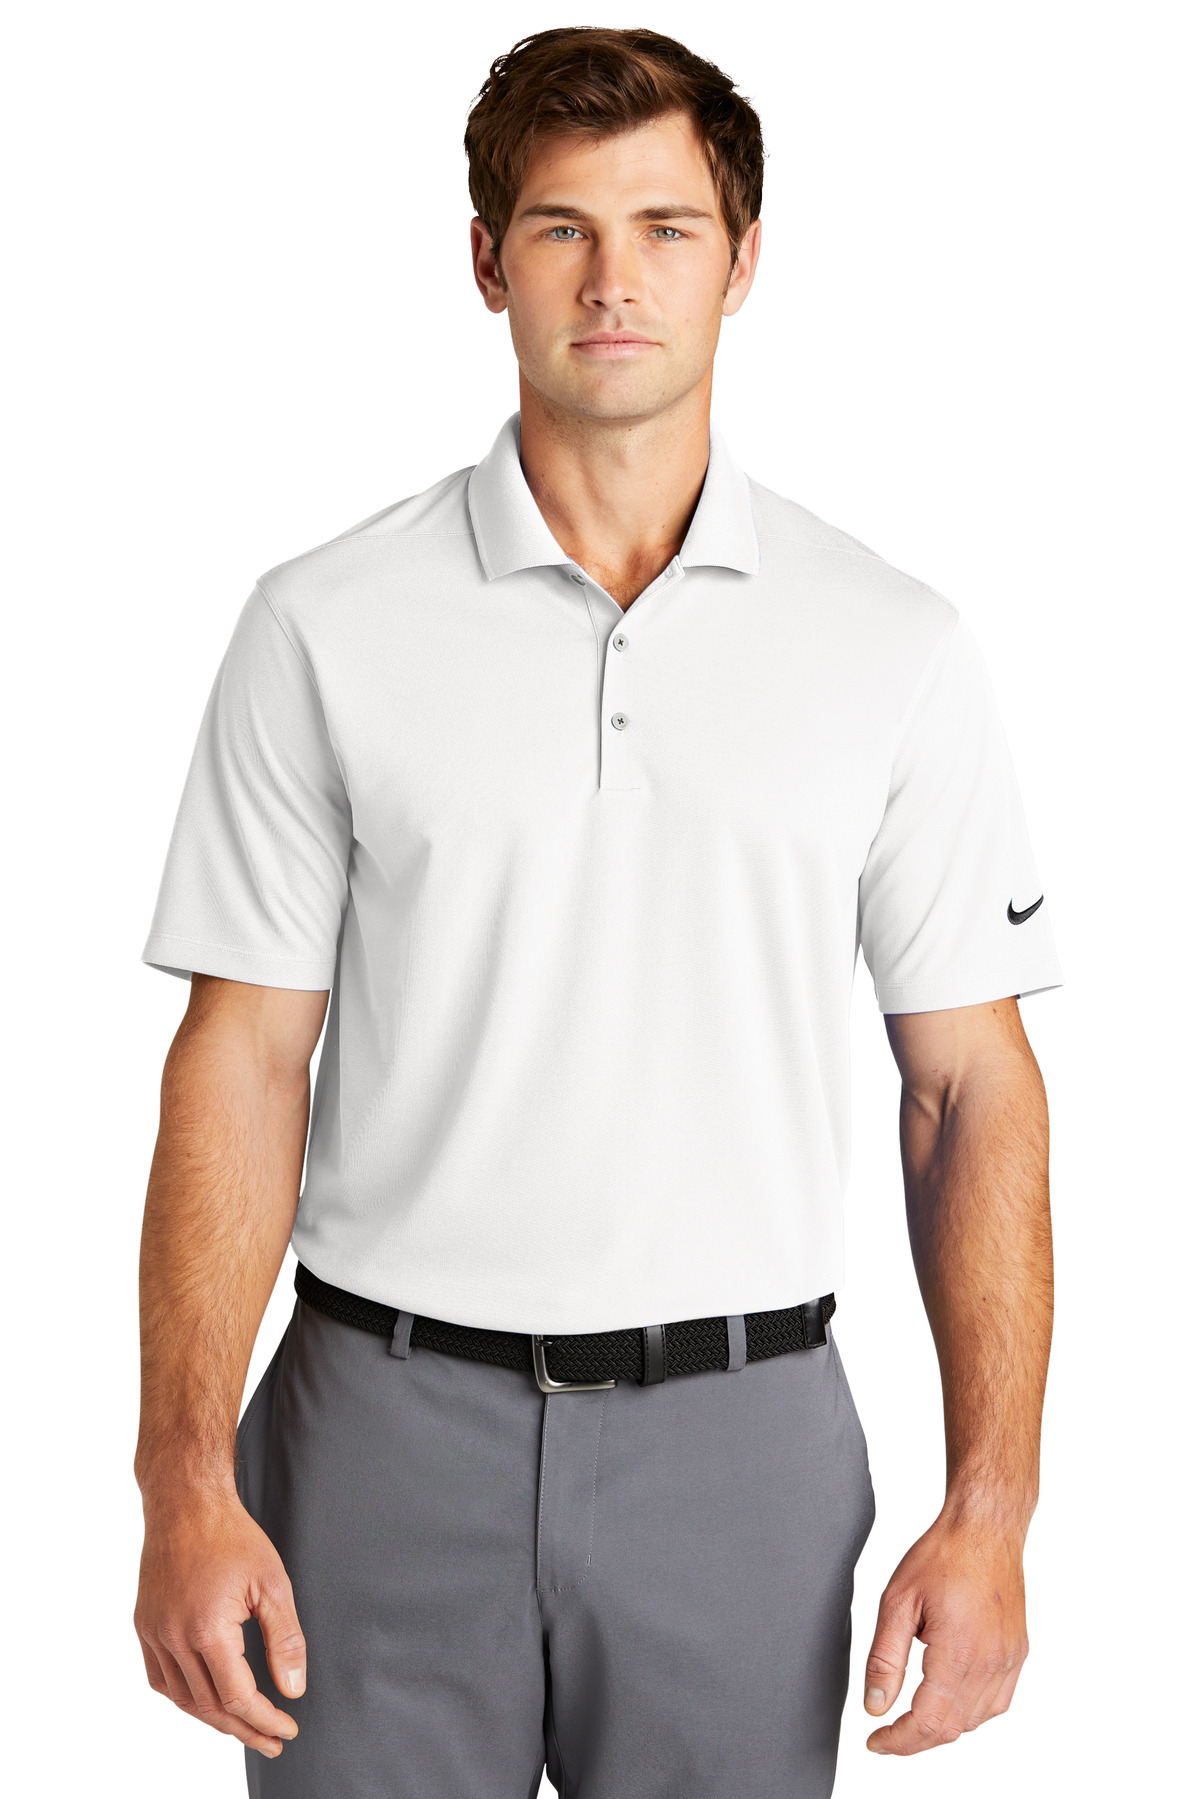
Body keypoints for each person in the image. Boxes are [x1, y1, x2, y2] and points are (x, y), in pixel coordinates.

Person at [132, 26, 1062, 1799]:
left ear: (743, 259)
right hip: (377, 1443)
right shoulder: (322, 624)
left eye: (665, 228)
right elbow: (239, 1062)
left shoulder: (892, 644)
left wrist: (994, 1503)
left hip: (745, 1451)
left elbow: (971, 1091)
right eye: (562, 228)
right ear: (488, 262)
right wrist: (179, 1479)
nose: (613, 279)